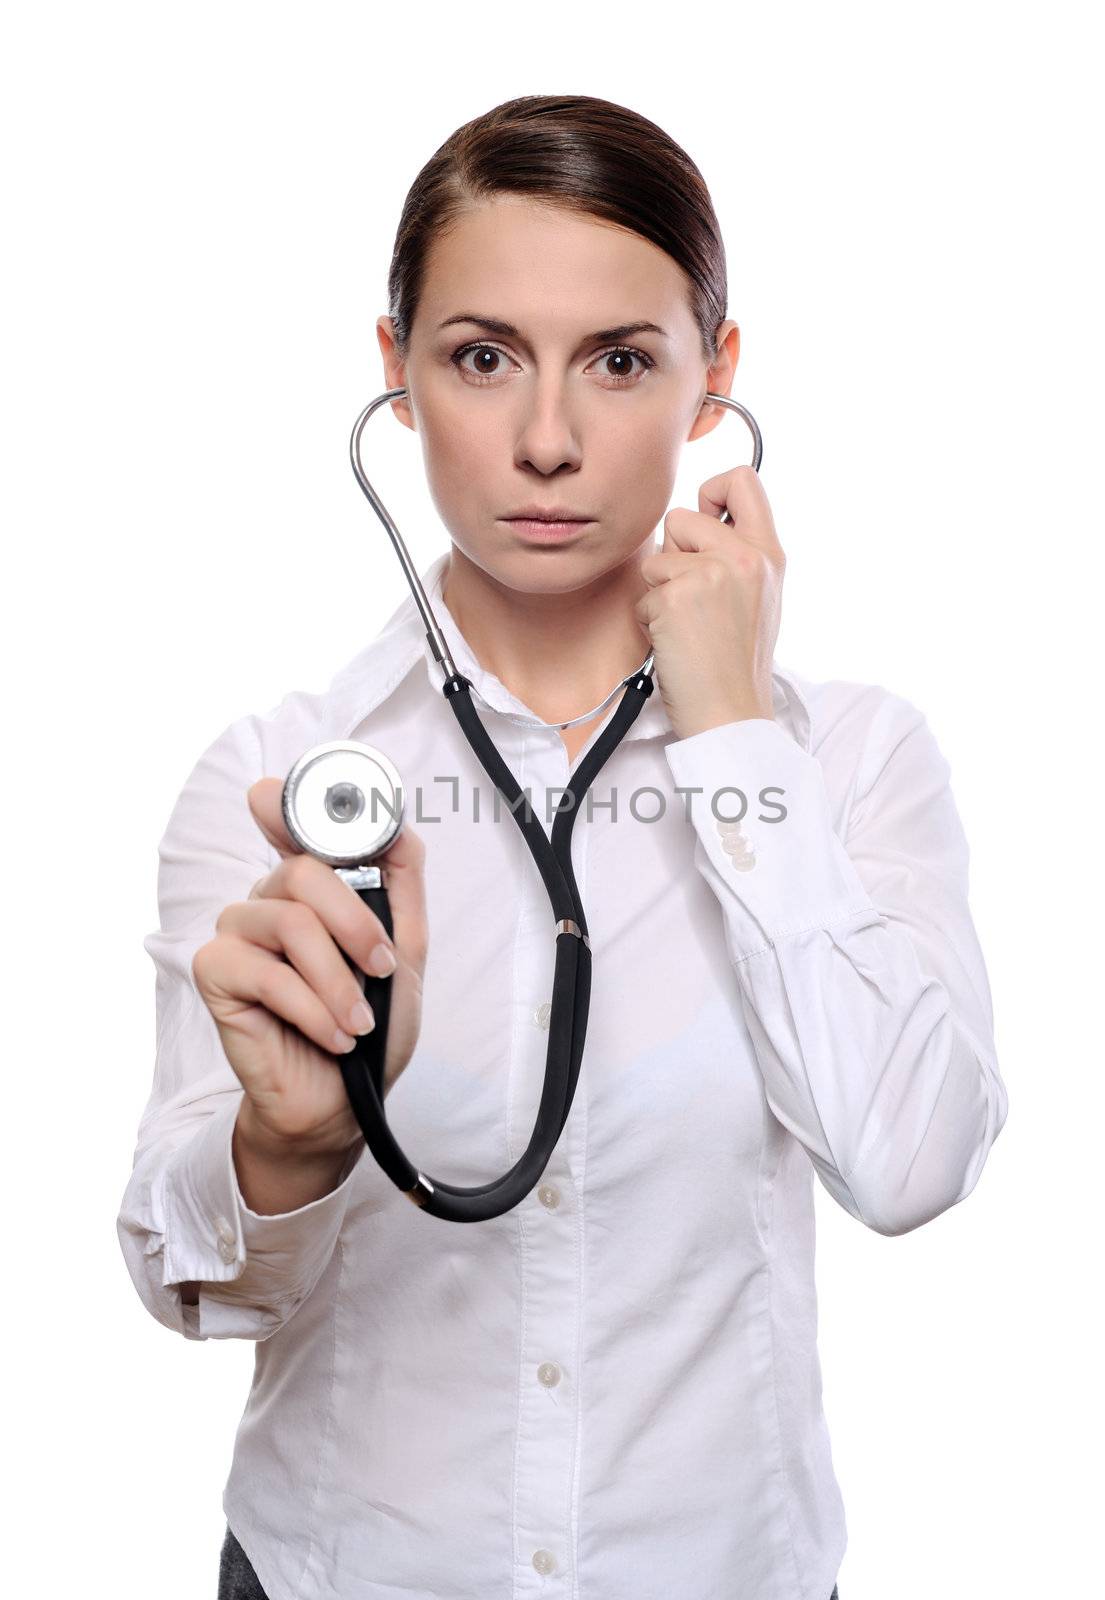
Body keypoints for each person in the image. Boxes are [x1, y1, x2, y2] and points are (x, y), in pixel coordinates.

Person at [116, 93, 1008, 1600]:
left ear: (713, 379)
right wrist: (287, 1149)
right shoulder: (277, 777)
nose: (544, 441)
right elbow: (187, 1279)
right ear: (393, 374)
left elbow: (911, 1161)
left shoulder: (846, 761)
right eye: (479, 359)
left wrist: (731, 733)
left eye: (617, 361)